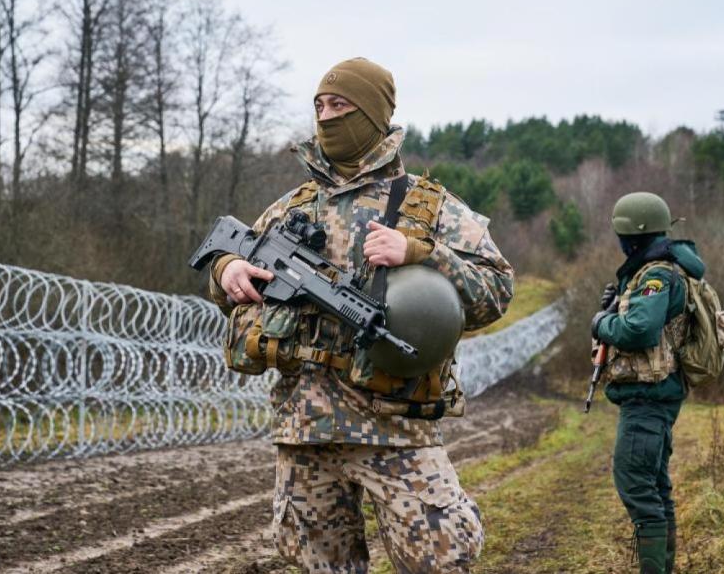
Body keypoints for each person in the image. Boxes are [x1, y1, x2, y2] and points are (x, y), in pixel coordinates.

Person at [205, 57, 514, 573]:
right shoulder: (291, 209)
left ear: (373, 114)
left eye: (340, 105)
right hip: (305, 431)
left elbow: (497, 292)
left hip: (395, 427)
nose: (326, 117)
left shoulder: (428, 206)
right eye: (319, 106)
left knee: (440, 559)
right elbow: (229, 276)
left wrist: (424, 253)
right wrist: (227, 270)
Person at [590, 192, 705, 574]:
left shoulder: (657, 273)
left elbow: (639, 329)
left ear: (633, 236)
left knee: (637, 487)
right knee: (655, 487)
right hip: (653, 396)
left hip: (648, 398)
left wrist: (601, 323)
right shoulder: (660, 270)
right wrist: (620, 300)